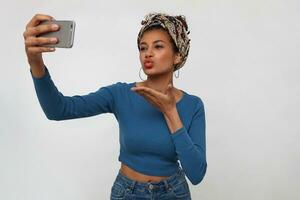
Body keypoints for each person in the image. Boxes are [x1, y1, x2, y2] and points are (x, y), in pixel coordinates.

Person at [23, 12, 207, 200]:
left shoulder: (193, 105)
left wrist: (170, 112)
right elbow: (58, 110)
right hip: (128, 193)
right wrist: (35, 62)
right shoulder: (120, 94)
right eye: (143, 48)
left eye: (158, 46)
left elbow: (196, 174)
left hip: (174, 193)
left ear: (177, 56)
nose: (148, 53)